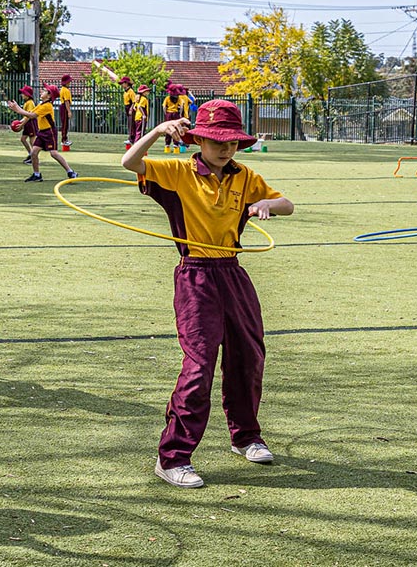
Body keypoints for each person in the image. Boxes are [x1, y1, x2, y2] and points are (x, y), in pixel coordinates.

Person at [122, 100, 295, 489]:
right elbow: (129, 163)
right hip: (196, 274)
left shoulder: (245, 176)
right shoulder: (178, 172)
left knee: (249, 354)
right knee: (199, 365)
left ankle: (246, 436)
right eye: (218, 141)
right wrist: (156, 131)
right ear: (197, 138)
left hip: (233, 272)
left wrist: (267, 203)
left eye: (233, 142)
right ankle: (173, 457)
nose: (226, 149)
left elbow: (288, 204)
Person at [8, 85, 79, 182]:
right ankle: (37, 175)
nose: (41, 91)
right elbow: (29, 115)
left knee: (53, 153)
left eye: (45, 91)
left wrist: (17, 110)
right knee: (33, 153)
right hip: (41, 132)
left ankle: (70, 172)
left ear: (49, 96)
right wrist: (21, 124)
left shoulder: (47, 106)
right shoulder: (41, 105)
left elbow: (32, 115)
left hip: (49, 132)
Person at [161, 84, 190, 154]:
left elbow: (164, 107)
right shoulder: (179, 98)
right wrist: (180, 113)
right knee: (176, 129)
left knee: (168, 129)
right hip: (176, 114)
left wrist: (166, 113)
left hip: (168, 114)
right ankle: (175, 147)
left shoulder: (167, 98)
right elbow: (182, 107)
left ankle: (167, 146)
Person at [16, 86, 38, 163]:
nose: (22, 95)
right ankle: (31, 154)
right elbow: (25, 116)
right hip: (27, 123)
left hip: (31, 123)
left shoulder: (30, 103)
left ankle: (34, 158)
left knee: (32, 141)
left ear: (27, 95)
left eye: (23, 93)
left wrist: (21, 124)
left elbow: (29, 116)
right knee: (23, 139)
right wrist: (20, 122)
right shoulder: (26, 103)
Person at [121, 76, 141, 149]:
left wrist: (131, 108)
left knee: (132, 124)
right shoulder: (125, 91)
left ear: (127, 83)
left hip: (131, 107)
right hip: (127, 107)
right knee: (129, 123)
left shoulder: (131, 91)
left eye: (123, 83)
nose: (122, 85)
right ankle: (131, 138)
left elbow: (134, 101)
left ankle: (131, 139)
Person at [58, 74, 75, 151]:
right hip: (64, 107)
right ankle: (64, 140)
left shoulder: (62, 89)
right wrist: (69, 111)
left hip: (62, 107)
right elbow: (66, 101)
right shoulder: (66, 90)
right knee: (65, 124)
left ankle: (64, 139)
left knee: (65, 124)